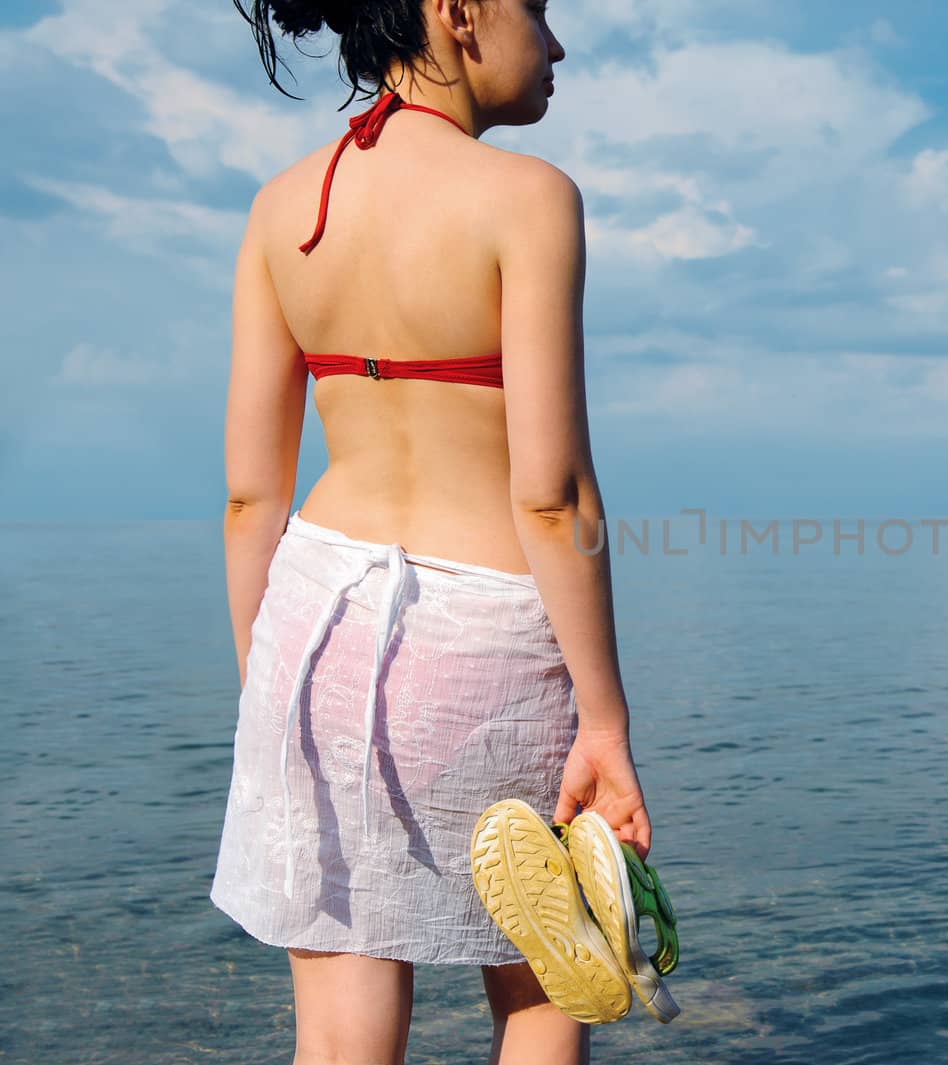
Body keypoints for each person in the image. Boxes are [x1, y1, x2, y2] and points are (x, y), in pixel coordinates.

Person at [210, 0, 651, 1060]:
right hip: (483, 632)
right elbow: (551, 495)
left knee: (341, 1020)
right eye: (539, 11)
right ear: (457, 14)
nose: (555, 44)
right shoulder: (528, 199)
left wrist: (266, 692)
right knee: (551, 983)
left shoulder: (282, 207)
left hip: (310, 624)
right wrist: (605, 722)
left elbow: (248, 499)